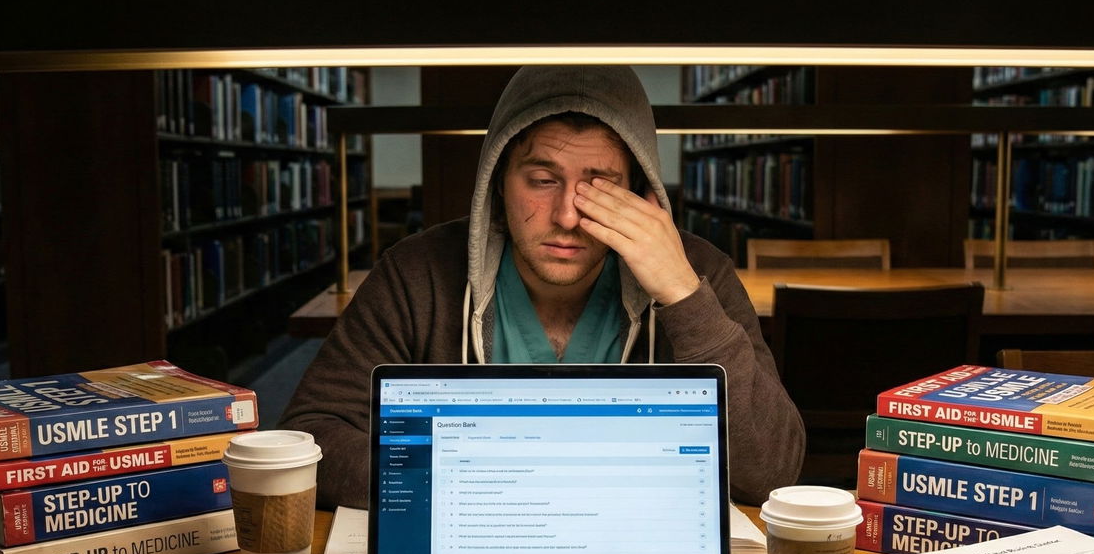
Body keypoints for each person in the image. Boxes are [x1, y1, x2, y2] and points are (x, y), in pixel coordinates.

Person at [280, 65, 804, 509]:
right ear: (497, 183)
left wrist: (683, 297)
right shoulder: (418, 272)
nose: (568, 217)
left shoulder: (697, 271)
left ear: (642, 193)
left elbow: (771, 473)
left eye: (601, 185)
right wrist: (485, 485)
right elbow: (312, 434)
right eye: (542, 179)